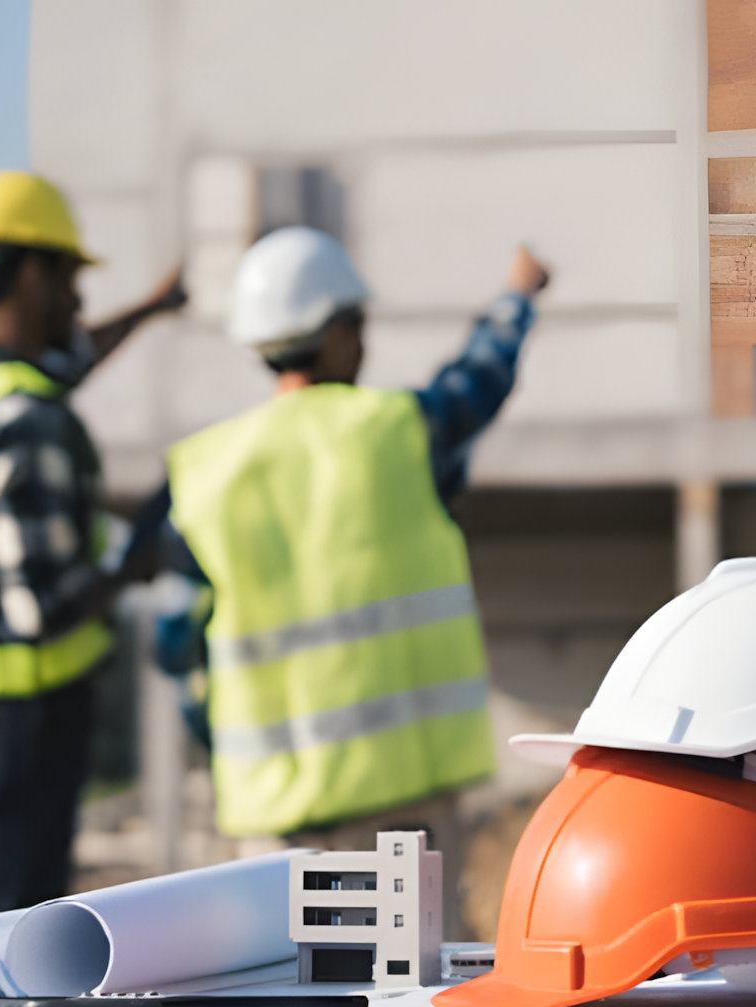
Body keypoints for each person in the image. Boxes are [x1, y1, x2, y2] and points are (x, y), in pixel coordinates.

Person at [149, 227, 547, 933]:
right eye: (357, 326)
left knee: (292, 1000)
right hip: (403, 812)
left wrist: (228, 754)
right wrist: (516, 298)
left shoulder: (205, 475)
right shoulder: (397, 432)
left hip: (274, 820)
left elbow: (176, 645)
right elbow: (476, 385)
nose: (363, 344)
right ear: (333, 336)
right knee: (406, 998)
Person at [0, 170, 185, 919]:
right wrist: (133, 566)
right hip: (21, 728)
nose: (79, 299)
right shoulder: (31, 422)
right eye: (69, 277)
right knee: (5, 948)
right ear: (32, 271)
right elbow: (43, 608)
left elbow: (67, 357)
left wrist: (152, 309)